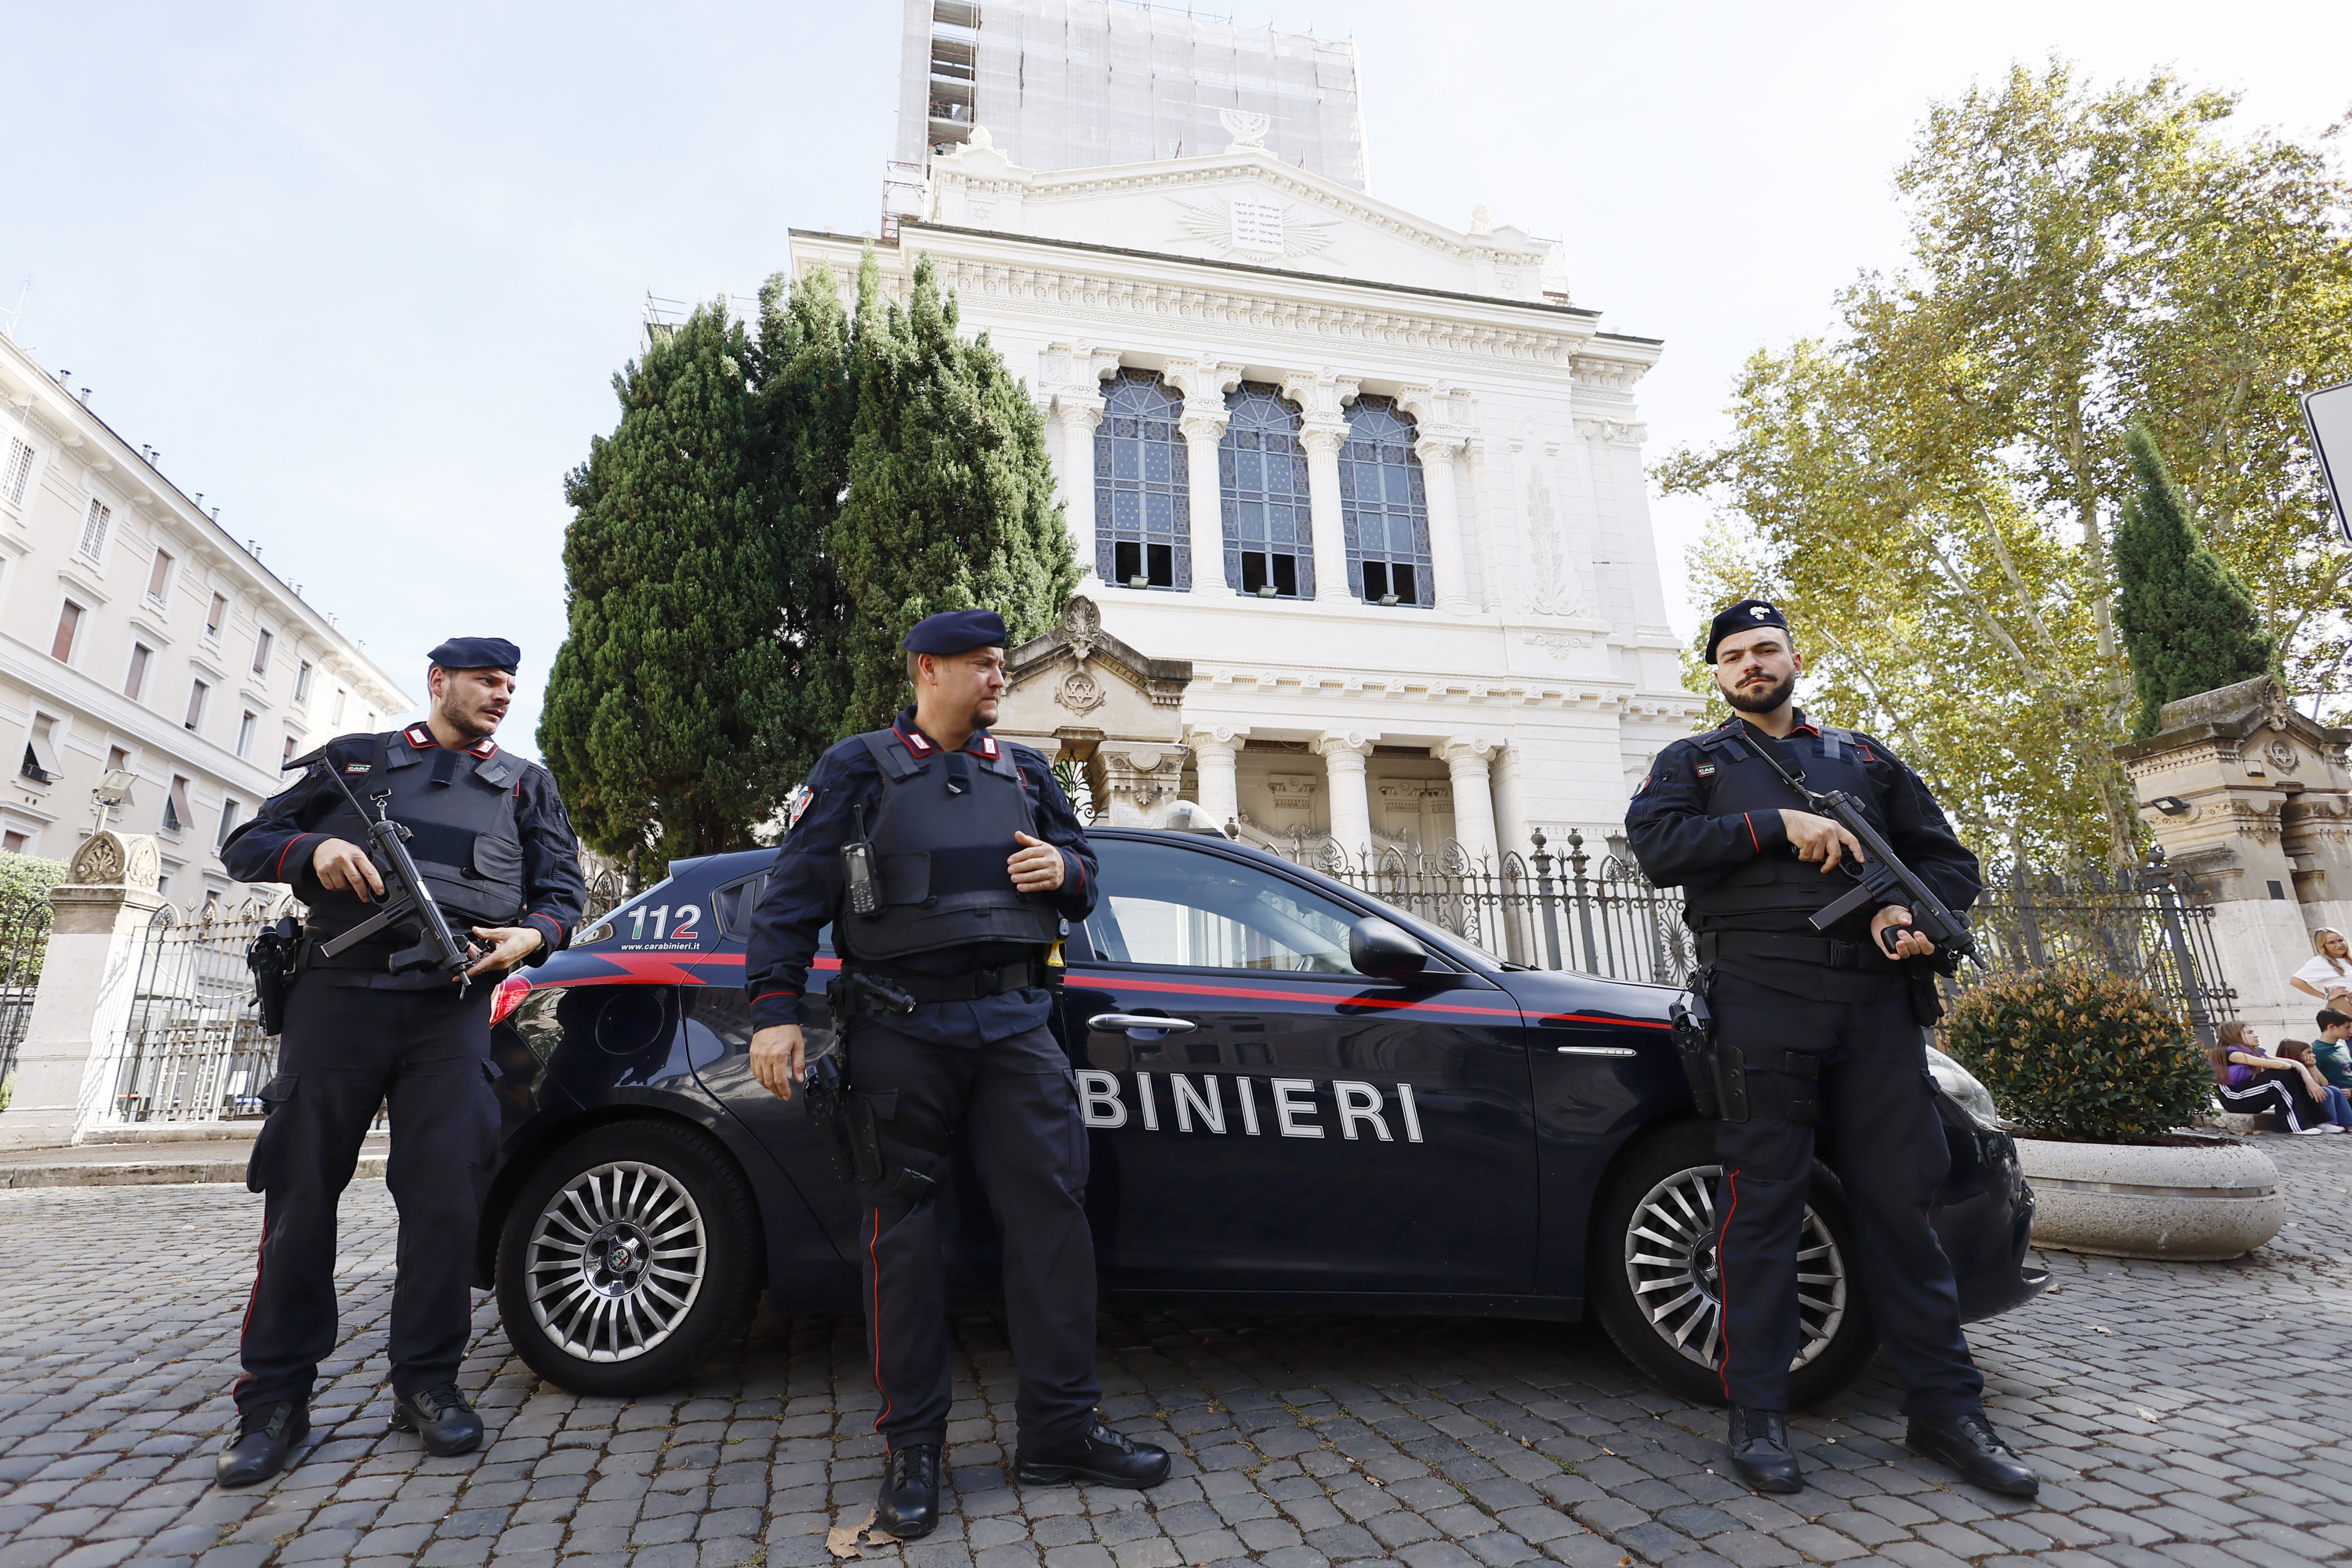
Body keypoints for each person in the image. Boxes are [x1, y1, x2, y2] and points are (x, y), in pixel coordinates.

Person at [742, 609, 1170, 1540]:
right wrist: (775, 1011)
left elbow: (1087, 871)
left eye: (1001, 665)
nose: (998, 678)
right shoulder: (856, 767)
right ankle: (914, 1447)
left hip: (1017, 1024)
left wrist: (1067, 867)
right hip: (903, 1029)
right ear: (927, 669)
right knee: (904, 1238)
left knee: (1053, 1219)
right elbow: (790, 899)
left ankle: (1060, 1428)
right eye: (981, 664)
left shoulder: (1025, 771)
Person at [1625, 598, 2038, 1498]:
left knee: (1903, 1205)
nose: (1750, 664)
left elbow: (1949, 862)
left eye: (1765, 649)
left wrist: (1903, 909)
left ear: (1794, 657)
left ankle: (1945, 1408)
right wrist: (1775, 825)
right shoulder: (1692, 761)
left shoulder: (1864, 757)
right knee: (1763, 1206)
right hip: (1760, 1001)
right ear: (1720, 672)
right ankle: (1759, 1411)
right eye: (1733, 655)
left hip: (1874, 1004)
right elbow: (1655, 846)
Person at [212, 638, 585, 1487]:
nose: (502, 693)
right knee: (301, 1194)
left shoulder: (526, 784)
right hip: (336, 998)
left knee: (446, 1198)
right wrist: (308, 853)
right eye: (486, 680)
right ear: (438, 682)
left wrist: (535, 934)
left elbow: (563, 894)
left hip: (450, 1010)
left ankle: (427, 1382)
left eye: (510, 684)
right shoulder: (351, 762)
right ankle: (274, 1396)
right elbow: (246, 841)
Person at [2210, 1022, 2338, 1134]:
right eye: (2250, 1032)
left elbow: (2295, 1064)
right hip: (2236, 1099)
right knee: (2280, 1077)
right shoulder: (2231, 1053)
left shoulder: (2255, 1052)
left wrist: (2309, 1082)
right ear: (2235, 1036)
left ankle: (2319, 1121)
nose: (2255, 1035)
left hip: (2248, 1094)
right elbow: (2279, 1065)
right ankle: (2294, 1126)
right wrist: (2294, 1071)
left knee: (2288, 1074)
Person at [2275, 1041, 2352, 1128]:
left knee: (2335, 1090)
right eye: (2309, 1053)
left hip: (2308, 1098)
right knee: (2326, 1092)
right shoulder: (2292, 1071)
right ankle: (2326, 1123)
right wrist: (2311, 1067)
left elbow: (2324, 1083)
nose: (2313, 1055)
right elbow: (2317, 1086)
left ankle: (2348, 1122)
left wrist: (2313, 1066)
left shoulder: (2307, 1066)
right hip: (2298, 1102)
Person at [2288, 929, 2352, 1008]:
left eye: (2341, 940)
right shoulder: (2320, 962)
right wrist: (2325, 996)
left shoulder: (2349, 960)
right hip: (2346, 1007)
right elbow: (2296, 981)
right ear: (2323, 946)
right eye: (2331, 942)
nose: (2339, 945)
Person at [2311, 1011, 2352, 1091]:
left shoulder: (2342, 1047)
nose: (2350, 1031)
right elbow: (2315, 1079)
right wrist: (2337, 1091)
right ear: (2331, 1027)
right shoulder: (2315, 1050)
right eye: (2347, 1028)